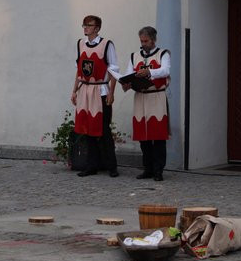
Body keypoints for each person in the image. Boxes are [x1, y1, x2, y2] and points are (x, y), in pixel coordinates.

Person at [71, 15, 120, 177]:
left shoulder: (107, 45)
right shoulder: (81, 44)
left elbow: (114, 71)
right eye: (84, 24)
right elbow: (79, 70)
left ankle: (111, 166)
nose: (85, 27)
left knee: (103, 130)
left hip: (101, 91)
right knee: (87, 129)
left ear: (97, 28)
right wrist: (74, 90)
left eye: (89, 25)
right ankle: (91, 165)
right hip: (85, 91)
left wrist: (111, 92)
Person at [121, 26, 170, 182]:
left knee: (158, 136)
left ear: (154, 40)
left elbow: (165, 71)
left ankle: (158, 170)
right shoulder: (134, 56)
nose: (143, 44)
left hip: (156, 97)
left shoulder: (163, 54)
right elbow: (129, 73)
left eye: (146, 41)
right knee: (144, 137)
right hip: (140, 97)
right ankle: (147, 169)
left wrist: (149, 72)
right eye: (141, 41)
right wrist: (126, 83)